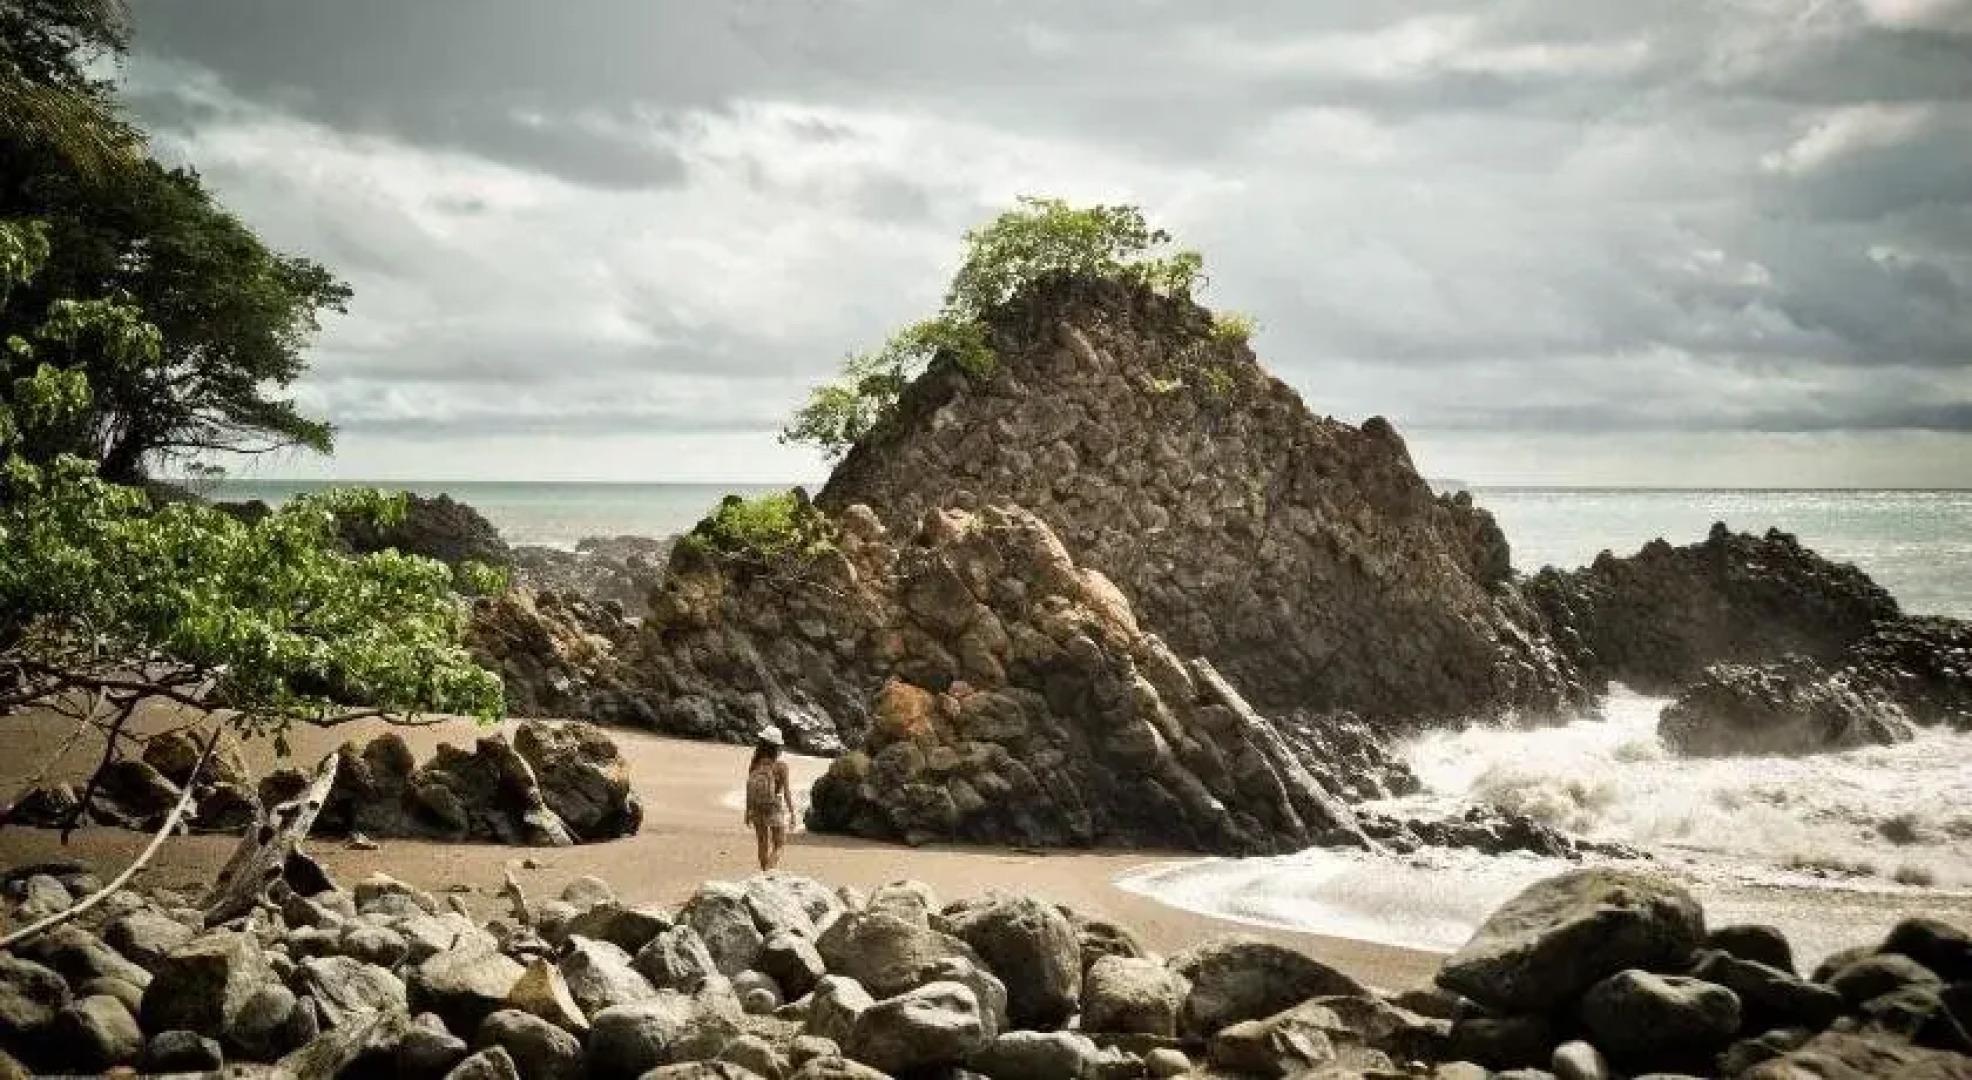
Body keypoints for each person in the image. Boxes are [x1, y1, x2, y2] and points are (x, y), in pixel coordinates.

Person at [743, 725, 795, 871]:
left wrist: (747, 811)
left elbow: (748, 788)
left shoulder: (754, 764)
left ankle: (764, 873)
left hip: (756, 807)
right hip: (773, 807)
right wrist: (792, 813)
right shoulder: (781, 766)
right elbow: (786, 792)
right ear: (777, 747)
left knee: (762, 843)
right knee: (779, 844)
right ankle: (767, 876)